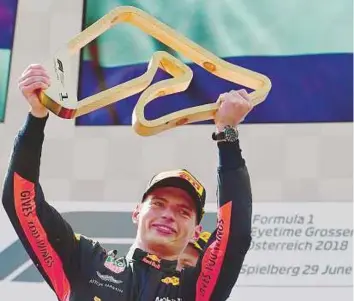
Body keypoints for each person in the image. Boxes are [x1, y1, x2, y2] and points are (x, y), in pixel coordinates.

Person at [2, 63, 253, 301]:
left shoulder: (194, 290)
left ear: (196, 232)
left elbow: (236, 235)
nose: (167, 215)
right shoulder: (84, 261)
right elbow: (22, 203)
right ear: (136, 212)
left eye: (183, 211)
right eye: (158, 203)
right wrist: (37, 115)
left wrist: (227, 134)